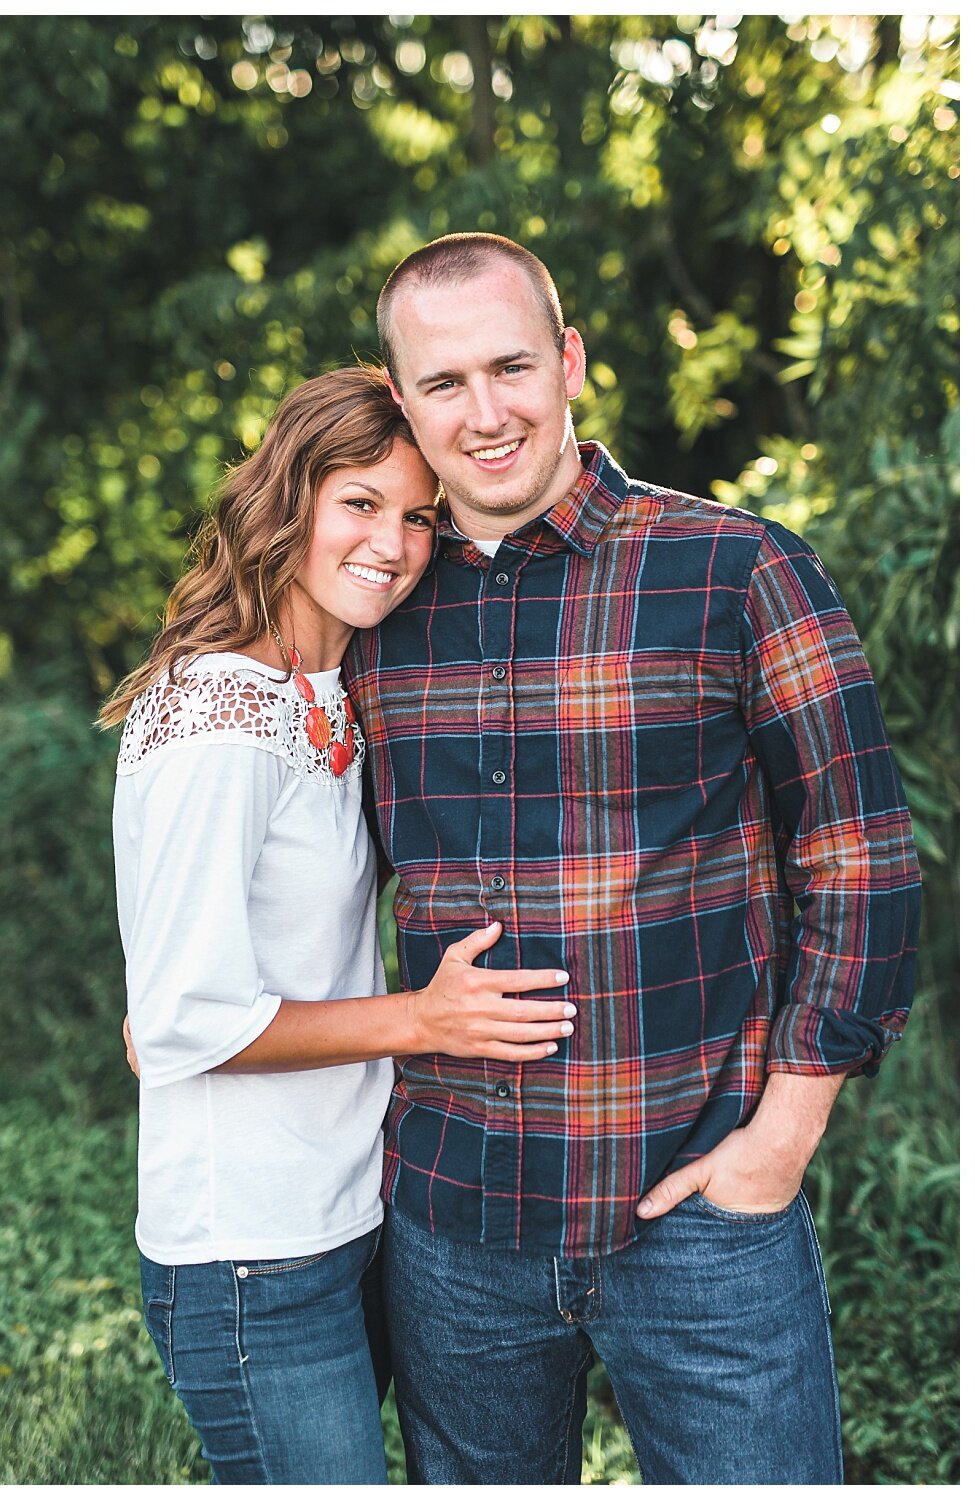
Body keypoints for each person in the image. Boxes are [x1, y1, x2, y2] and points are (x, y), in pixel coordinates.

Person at [343, 234, 922, 1485]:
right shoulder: (373, 609)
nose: (484, 413)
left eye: (510, 367)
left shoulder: (734, 568)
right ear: (401, 401)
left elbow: (861, 859)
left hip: (699, 1209)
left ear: (570, 361)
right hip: (455, 1221)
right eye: (443, 383)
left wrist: (779, 1142)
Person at [100, 365, 577, 1486]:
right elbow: (175, 1023)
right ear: (288, 502)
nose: (393, 542)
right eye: (359, 503)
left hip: (352, 1214)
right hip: (251, 1256)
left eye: (418, 515)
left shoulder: (330, 685)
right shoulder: (214, 717)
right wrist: (423, 1017)